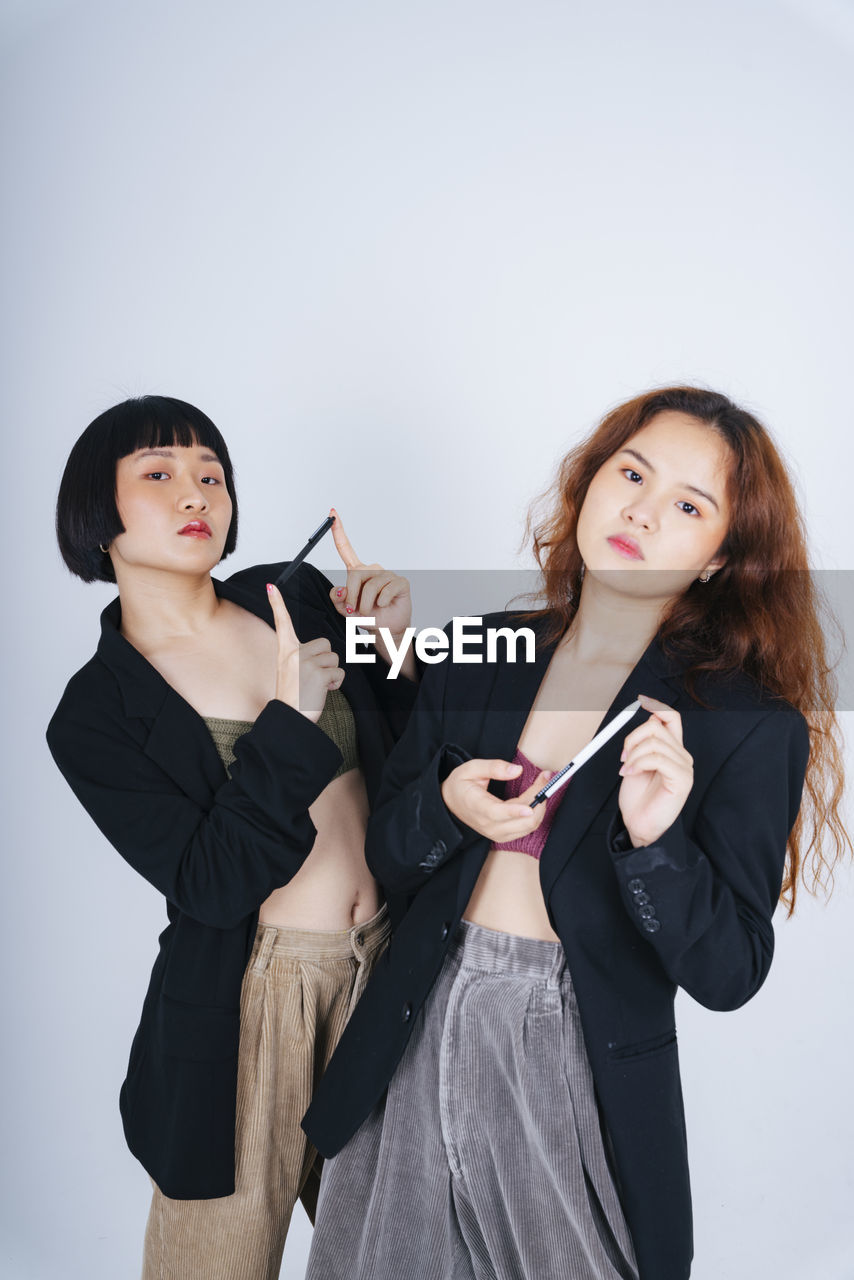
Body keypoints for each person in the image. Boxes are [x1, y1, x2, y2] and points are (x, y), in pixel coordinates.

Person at [301, 386, 849, 1280]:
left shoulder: (746, 726)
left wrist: (656, 841)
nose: (642, 509)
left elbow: (731, 971)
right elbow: (391, 852)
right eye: (631, 473)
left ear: (720, 558)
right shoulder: (481, 649)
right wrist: (450, 810)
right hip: (416, 1021)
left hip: (566, 1049)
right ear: (590, 483)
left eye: (687, 505)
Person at [46, 394, 417, 1280]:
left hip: (387, 964)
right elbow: (210, 883)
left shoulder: (288, 599)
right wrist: (289, 719)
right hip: (251, 998)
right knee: (214, 1263)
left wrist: (397, 648)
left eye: (211, 474)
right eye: (160, 474)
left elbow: (408, 759)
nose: (195, 494)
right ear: (97, 514)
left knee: (397, 1254)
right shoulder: (94, 713)